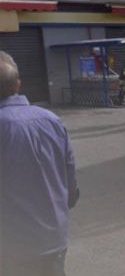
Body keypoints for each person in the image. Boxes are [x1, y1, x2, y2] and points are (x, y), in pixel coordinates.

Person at [0, 51, 79, 276]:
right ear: (18, 84)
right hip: (54, 238)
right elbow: (70, 182)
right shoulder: (51, 120)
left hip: (11, 247)